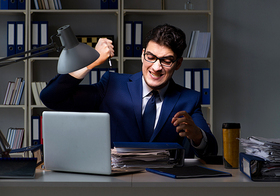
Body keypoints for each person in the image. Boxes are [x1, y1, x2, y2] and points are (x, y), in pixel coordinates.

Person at [40, 24, 218, 158]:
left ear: (178, 63)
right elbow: (52, 98)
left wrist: (197, 136)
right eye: (151, 57)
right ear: (142, 55)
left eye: (166, 60)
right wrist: (92, 62)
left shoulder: (189, 99)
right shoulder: (112, 84)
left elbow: (210, 151)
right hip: (117, 185)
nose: (156, 67)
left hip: (164, 187)